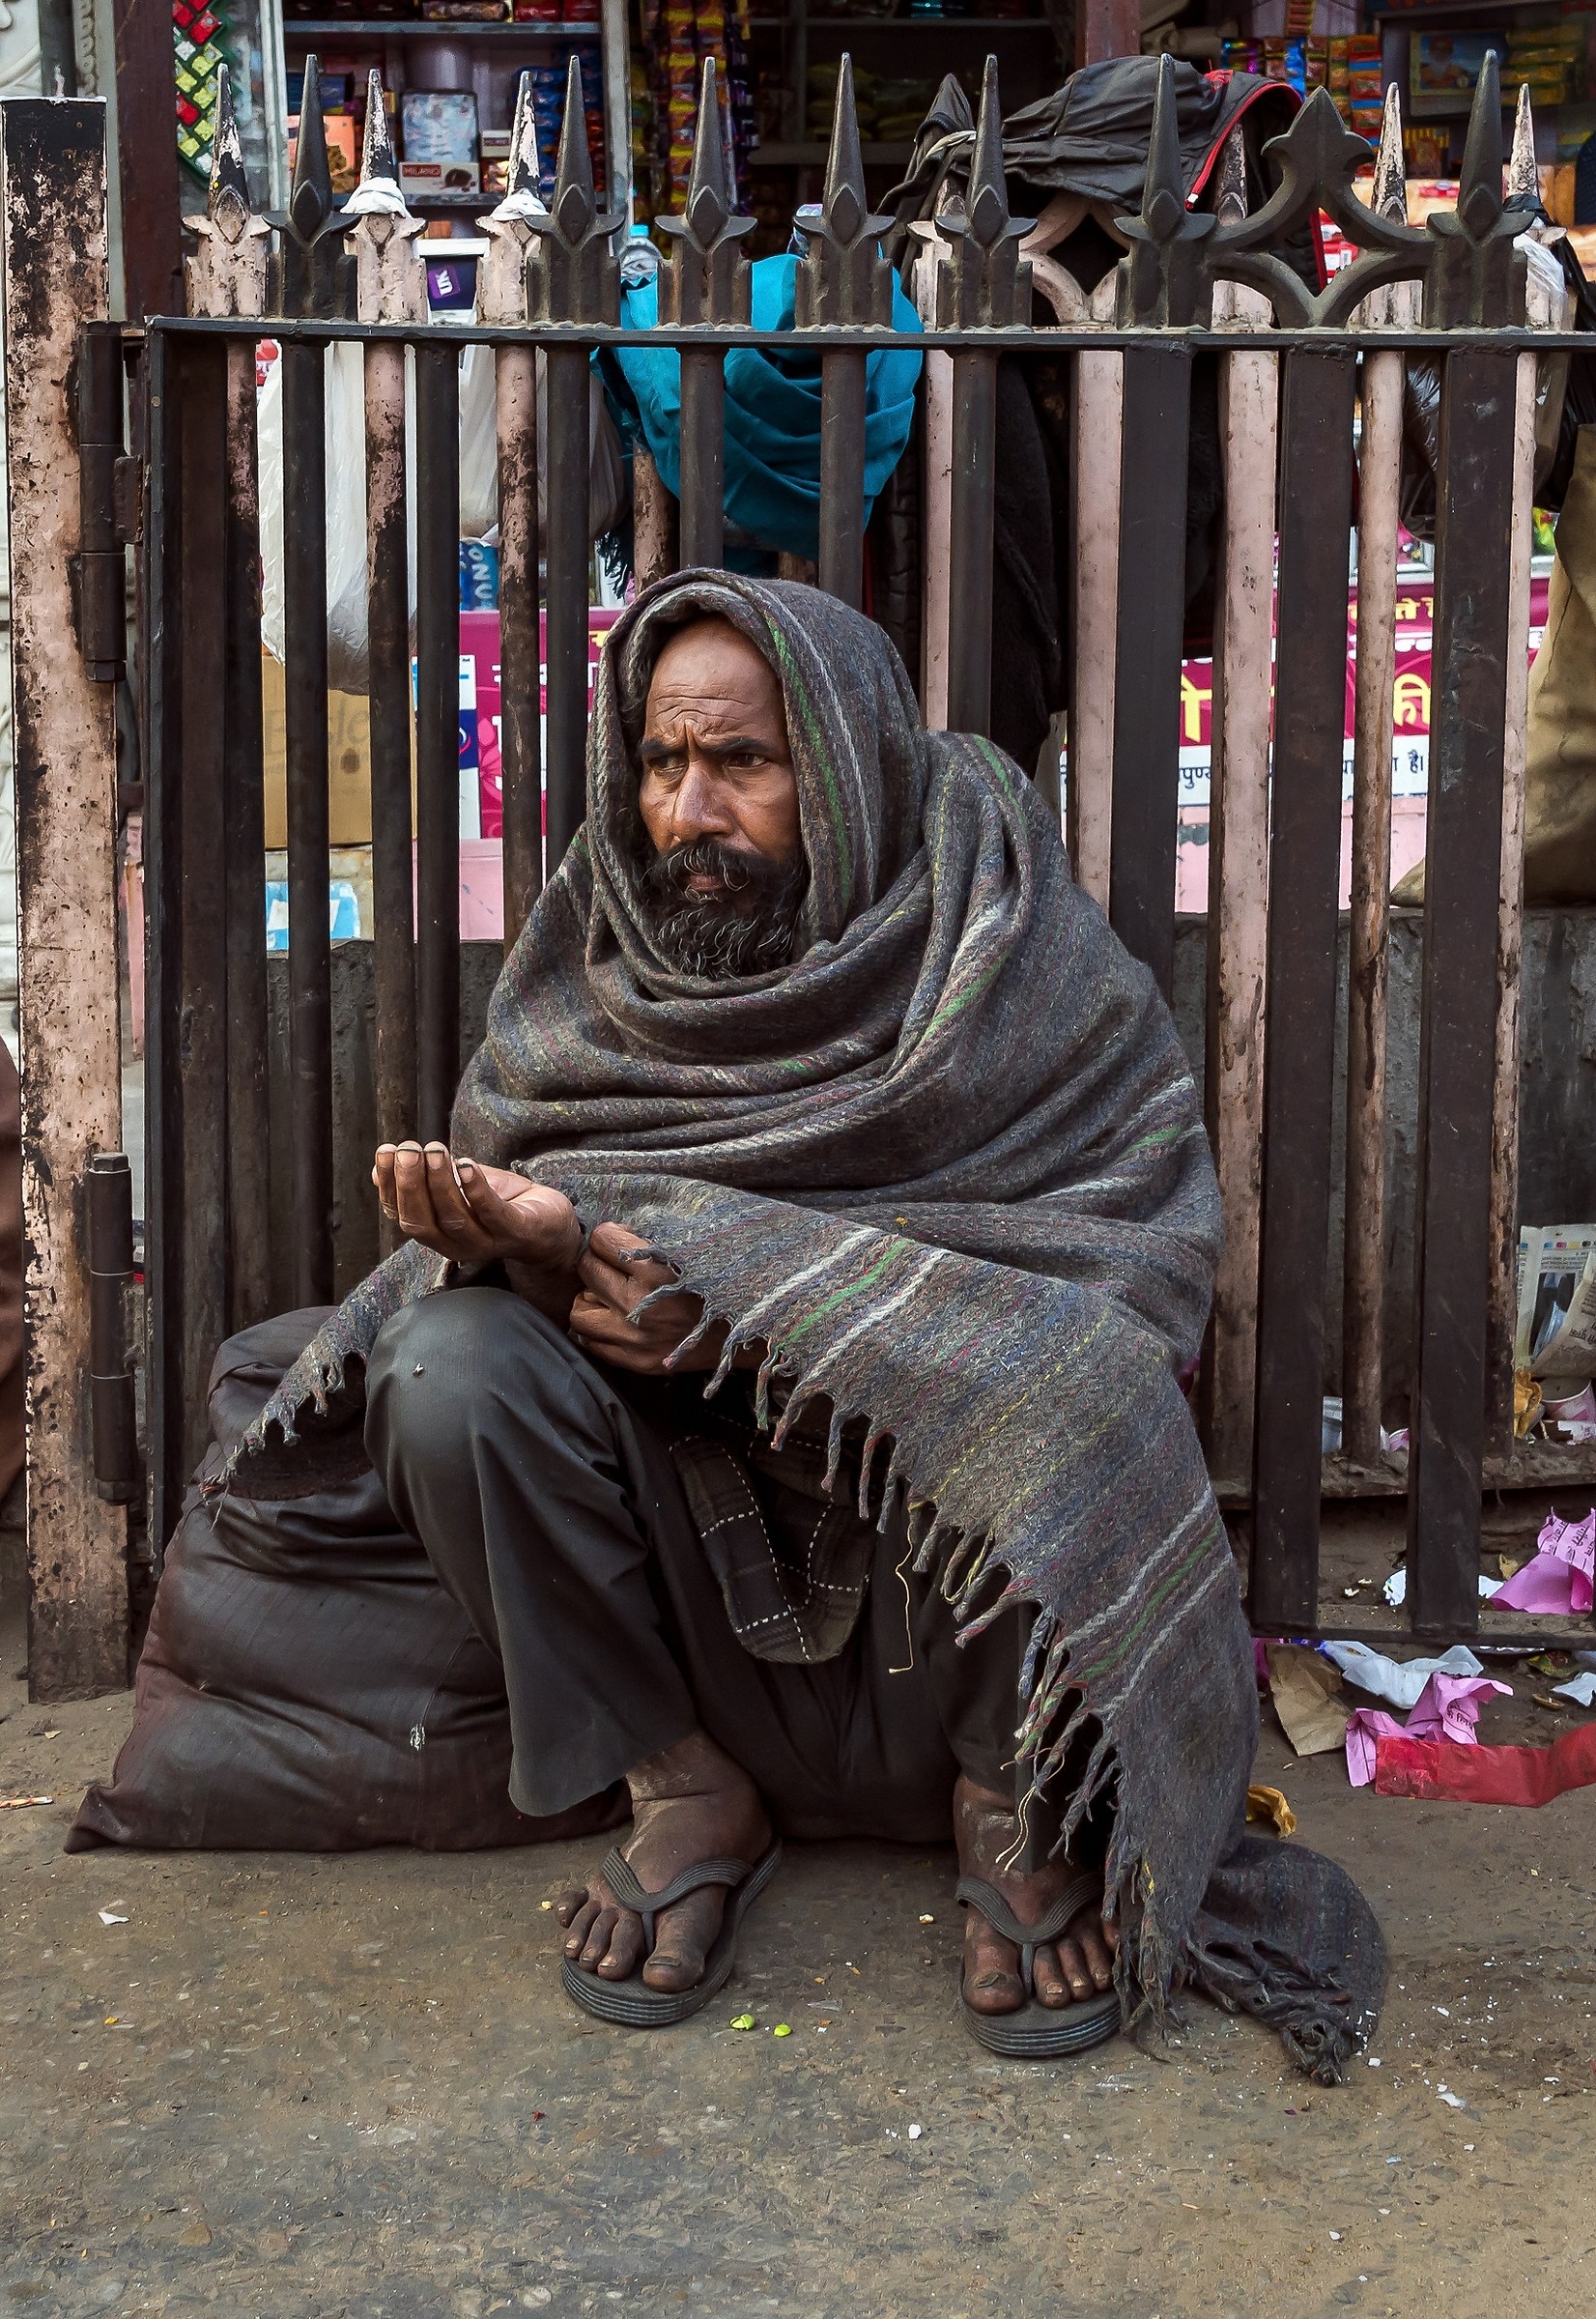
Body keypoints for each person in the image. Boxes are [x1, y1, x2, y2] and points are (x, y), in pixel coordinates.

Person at [230, 573, 1385, 2076]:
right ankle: (683, 1790)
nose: (689, 812)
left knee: (1078, 1377)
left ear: (841, 769)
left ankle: (1007, 1804)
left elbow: (1134, 1277)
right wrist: (543, 1266)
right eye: (661, 763)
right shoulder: (598, 948)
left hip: (954, 1631)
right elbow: (542, 1211)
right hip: (698, 1613)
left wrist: (754, 1327)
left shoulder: (1000, 937)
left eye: (743, 764)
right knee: (443, 1362)